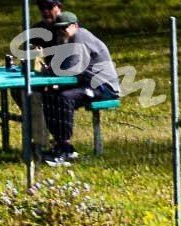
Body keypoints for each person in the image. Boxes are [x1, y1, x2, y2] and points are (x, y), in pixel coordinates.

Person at [38, 12, 120, 164]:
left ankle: (66, 148)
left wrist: (50, 73)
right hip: (87, 84)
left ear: (75, 25)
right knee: (49, 94)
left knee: (64, 98)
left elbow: (72, 69)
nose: (61, 31)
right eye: (58, 29)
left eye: (64, 28)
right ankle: (59, 144)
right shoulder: (68, 41)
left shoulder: (79, 37)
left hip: (103, 88)